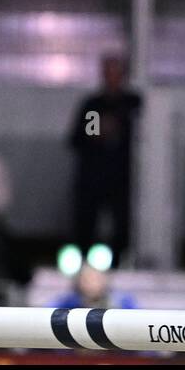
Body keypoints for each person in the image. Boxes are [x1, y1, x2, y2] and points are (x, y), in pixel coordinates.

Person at [67, 57, 142, 263]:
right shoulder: (92, 104)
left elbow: (145, 139)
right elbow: (76, 139)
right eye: (108, 73)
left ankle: (121, 263)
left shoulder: (133, 103)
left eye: (116, 73)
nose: (112, 78)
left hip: (123, 177)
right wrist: (97, 133)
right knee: (86, 223)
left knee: (124, 224)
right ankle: (83, 265)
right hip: (93, 177)